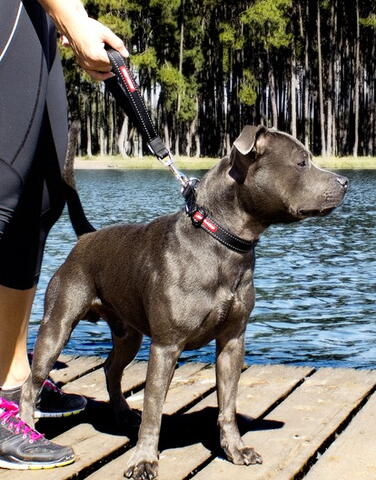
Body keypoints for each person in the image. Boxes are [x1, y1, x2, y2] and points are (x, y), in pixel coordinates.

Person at [0, 0, 128, 470]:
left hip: (33, 15)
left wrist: (68, 19)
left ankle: (14, 382)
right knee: (4, 192)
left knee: (42, 197)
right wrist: (72, 19)